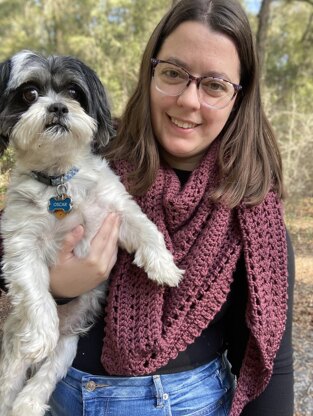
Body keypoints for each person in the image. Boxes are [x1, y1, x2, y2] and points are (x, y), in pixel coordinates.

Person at [0, 0, 294, 415]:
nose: (189, 100)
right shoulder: (84, 153)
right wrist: (58, 287)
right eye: (174, 73)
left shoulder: (253, 211)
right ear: (150, 71)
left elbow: (269, 359)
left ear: (239, 96)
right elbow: (10, 247)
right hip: (58, 397)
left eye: (214, 85)